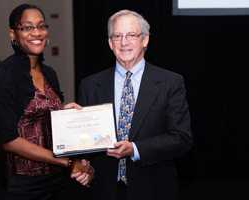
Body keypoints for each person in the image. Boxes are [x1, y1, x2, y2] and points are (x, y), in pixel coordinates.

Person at [78, 9, 192, 200]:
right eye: (117, 36)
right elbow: (85, 143)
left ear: (145, 40)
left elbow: (182, 138)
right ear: (110, 43)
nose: (124, 42)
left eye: (131, 35)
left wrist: (135, 149)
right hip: (104, 190)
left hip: (154, 188)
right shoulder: (90, 85)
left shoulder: (170, 82)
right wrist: (74, 123)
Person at [0, 4, 93, 200]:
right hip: (22, 186)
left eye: (41, 26)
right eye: (27, 27)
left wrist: (63, 112)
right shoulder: (4, 75)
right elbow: (9, 141)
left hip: (56, 181)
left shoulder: (49, 73)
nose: (36, 32)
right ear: (13, 34)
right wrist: (66, 163)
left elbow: (41, 120)